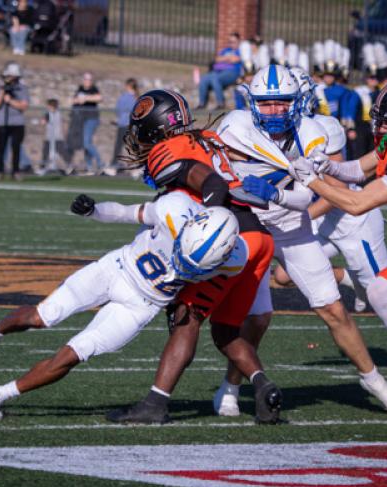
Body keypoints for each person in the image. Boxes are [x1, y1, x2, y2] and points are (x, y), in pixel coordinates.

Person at [212, 64, 387, 417]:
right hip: (249, 229)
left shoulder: (311, 131)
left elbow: (309, 199)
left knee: (334, 309)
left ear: (296, 102)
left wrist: (275, 195)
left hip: (294, 226)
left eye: (282, 103)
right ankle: (230, 386)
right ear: (252, 103)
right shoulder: (234, 127)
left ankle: (375, 382)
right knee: (257, 319)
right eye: (266, 103)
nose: (274, 110)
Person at [0, 193, 245, 420]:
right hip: (116, 269)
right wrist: (94, 211)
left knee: (73, 354)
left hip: (142, 306)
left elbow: (218, 291)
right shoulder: (175, 208)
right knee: (41, 316)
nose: (181, 264)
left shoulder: (234, 260)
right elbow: (128, 213)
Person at [105, 89, 279, 425]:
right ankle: (264, 389)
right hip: (259, 237)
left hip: (232, 238)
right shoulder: (208, 140)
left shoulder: (165, 151)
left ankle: (155, 404)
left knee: (186, 317)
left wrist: (210, 231)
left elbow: (214, 185)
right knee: (226, 330)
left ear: (154, 127)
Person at [287, 79, 387, 406]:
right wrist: (328, 166)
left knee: (380, 289)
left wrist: (311, 180)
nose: (381, 125)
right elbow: (358, 170)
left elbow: (356, 203)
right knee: (386, 289)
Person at [0, 61, 30, 181]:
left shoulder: (22, 88)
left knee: (16, 147)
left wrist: (11, 101)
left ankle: (15, 171)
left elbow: (23, 106)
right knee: (1, 147)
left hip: (17, 123)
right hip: (3, 122)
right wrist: (3, 91)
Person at [66, 72, 104, 175]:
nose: (87, 81)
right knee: (85, 143)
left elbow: (99, 98)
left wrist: (86, 98)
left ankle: (101, 164)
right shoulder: (80, 89)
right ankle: (89, 166)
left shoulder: (93, 89)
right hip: (81, 119)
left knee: (87, 143)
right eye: (86, 79)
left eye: (89, 80)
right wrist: (78, 100)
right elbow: (72, 100)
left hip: (91, 119)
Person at [197, 32, 242, 110]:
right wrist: (228, 58)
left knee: (215, 79)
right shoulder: (226, 50)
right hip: (218, 71)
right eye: (230, 42)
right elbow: (217, 59)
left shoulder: (240, 50)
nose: (231, 44)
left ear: (238, 41)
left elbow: (236, 59)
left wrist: (224, 58)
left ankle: (220, 104)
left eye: (234, 42)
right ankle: (201, 104)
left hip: (232, 72)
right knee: (204, 79)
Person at [110, 78, 139, 169]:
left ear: (128, 86)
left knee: (118, 145)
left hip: (124, 124)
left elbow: (118, 110)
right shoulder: (138, 98)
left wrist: (118, 119)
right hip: (133, 125)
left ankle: (113, 164)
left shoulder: (125, 97)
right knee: (134, 146)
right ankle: (140, 164)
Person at [39, 98, 68, 173]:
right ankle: (42, 168)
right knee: (45, 153)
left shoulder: (54, 113)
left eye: (49, 105)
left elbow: (43, 122)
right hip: (49, 138)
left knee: (63, 153)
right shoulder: (49, 113)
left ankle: (69, 167)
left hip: (57, 138)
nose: (47, 107)